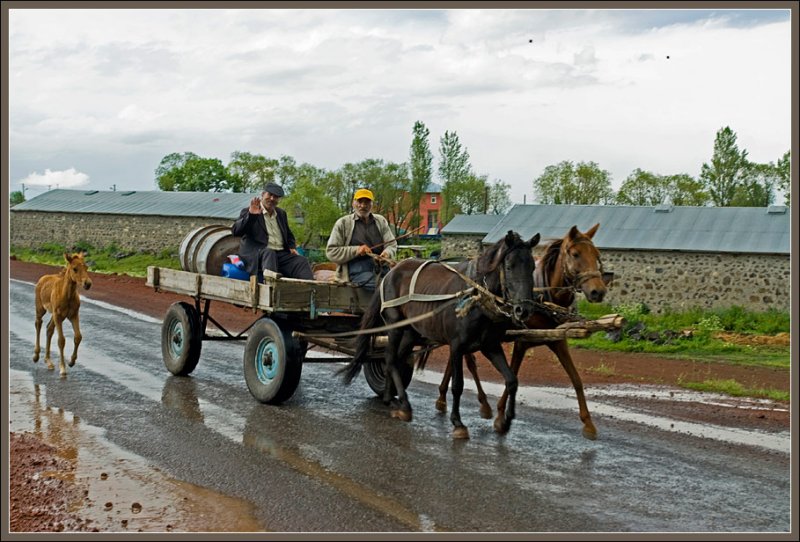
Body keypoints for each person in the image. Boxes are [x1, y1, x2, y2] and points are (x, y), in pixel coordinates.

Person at [232, 183, 313, 281]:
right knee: (269, 252)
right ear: (262, 194)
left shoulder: (281, 214)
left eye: (276, 197)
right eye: (269, 195)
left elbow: (288, 234)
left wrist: (291, 247)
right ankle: (271, 288)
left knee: (301, 261)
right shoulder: (249, 211)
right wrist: (252, 216)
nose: (272, 199)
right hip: (257, 254)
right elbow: (236, 231)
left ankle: (310, 291)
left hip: (280, 254)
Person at [326, 188, 397, 291]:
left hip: (381, 268)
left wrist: (387, 253)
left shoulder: (381, 221)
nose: (363, 206)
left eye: (367, 202)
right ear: (353, 203)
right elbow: (331, 252)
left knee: (401, 282)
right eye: (360, 201)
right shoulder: (343, 223)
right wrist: (357, 250)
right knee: (385, 287)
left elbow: (392, 244)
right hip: (356, 270)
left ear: (372, 205)